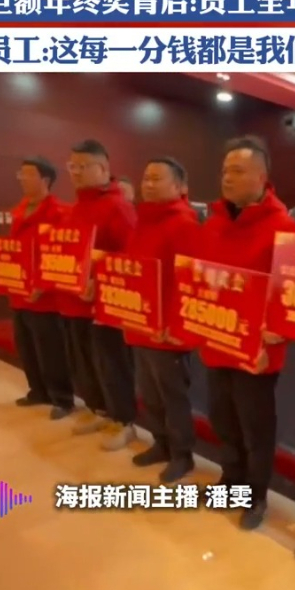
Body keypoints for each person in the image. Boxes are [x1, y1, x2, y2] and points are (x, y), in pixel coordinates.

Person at [198, 136, 295, 530]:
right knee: (223, 421)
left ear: (261, 177)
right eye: (225, 170)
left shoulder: (284, 228)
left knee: (255, 429)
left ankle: (256, 497)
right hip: (217, 343)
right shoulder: (214, 222)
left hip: (256, 353)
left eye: (238, 171)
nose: (227, 177)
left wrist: (274, 335)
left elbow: (293, 294)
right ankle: (231, 483)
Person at [58, 139, 138, 450]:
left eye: (83, 166)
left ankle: (124, 421)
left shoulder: (118, 207)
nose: (76, 172)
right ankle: (100, 411)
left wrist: (100, 280)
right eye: (72, 166)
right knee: (86, 363)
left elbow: (130, 258)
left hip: (106, 304)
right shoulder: (76, 207)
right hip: (75, 302)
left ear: (103, 168)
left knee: (112, 364)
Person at [126, 158, 199, 483]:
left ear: (178, 186)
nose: (149, 184)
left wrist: (176, 324)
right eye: (146, 178)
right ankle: (161, 443)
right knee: (150, 393)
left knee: (173, 397)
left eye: (157, 178)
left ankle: (182, 454)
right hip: (141, 324)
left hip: (168, 331)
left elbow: (189, 281)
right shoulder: (142, 220)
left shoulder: (183, 223)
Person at [9, 158, 75, 419]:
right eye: (20, 174)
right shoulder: (19, 210)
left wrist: (43, 284)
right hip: (20, 293)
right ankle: (37, 391)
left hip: (47, 297)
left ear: (45, 180)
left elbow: (63, 254)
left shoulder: (60, 212)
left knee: (51, 350)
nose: (21, 179)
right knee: (26, 347)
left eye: (27, 174)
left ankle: (62, 398)